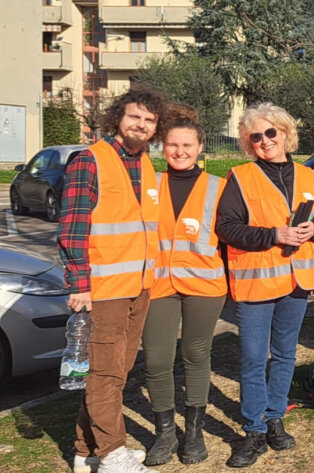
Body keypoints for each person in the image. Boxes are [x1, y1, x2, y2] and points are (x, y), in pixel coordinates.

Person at [58, 85, 166, 473]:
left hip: (138, 286)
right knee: (104, 372)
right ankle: (112, 453)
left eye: (149, 120)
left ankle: (85, 449)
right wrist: (79, 284)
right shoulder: (90, 160)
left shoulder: (146, 165)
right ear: (117, 118)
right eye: (134, 116)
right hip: (102, 290)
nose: (141, 124)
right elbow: (73, 227)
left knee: (116, 371)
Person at [216, 103, 314, 468]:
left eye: (270, 133)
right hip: (256, 283)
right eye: (255, 136)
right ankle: (253, 430)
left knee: (285, 354)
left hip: (297, 280)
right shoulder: (240, 177)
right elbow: (227, 228)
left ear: (285, 133)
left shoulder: (307, 176)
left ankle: (275, 418)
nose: (264, 141)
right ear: (248, 143)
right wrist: (273, 234)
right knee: (251, 358)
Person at [142, 105, 227, 466]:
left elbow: (235, 234)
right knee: (157, 359)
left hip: (205, 287)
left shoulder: (219, 187)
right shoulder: (149, 186)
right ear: (162, 146)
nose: (179, 151)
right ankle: (164, 433)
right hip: (158, 286)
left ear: (200, 147)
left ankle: (192, 433)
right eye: (172, 144)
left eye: (187, 145)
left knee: (196, 356)